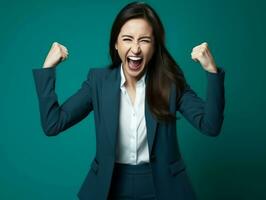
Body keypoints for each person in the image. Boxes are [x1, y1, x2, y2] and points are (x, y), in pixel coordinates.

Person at [32, 2, 225, 200]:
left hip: (163, 188)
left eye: (144, 40)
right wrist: (48, 69)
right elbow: (53, 124)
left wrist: (211, 71)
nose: (135, 49)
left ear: (155, 45)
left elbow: (210, 126)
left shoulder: (171, 83)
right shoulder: (98, 81)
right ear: (116, 44)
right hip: (109, 187)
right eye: (127, 39)